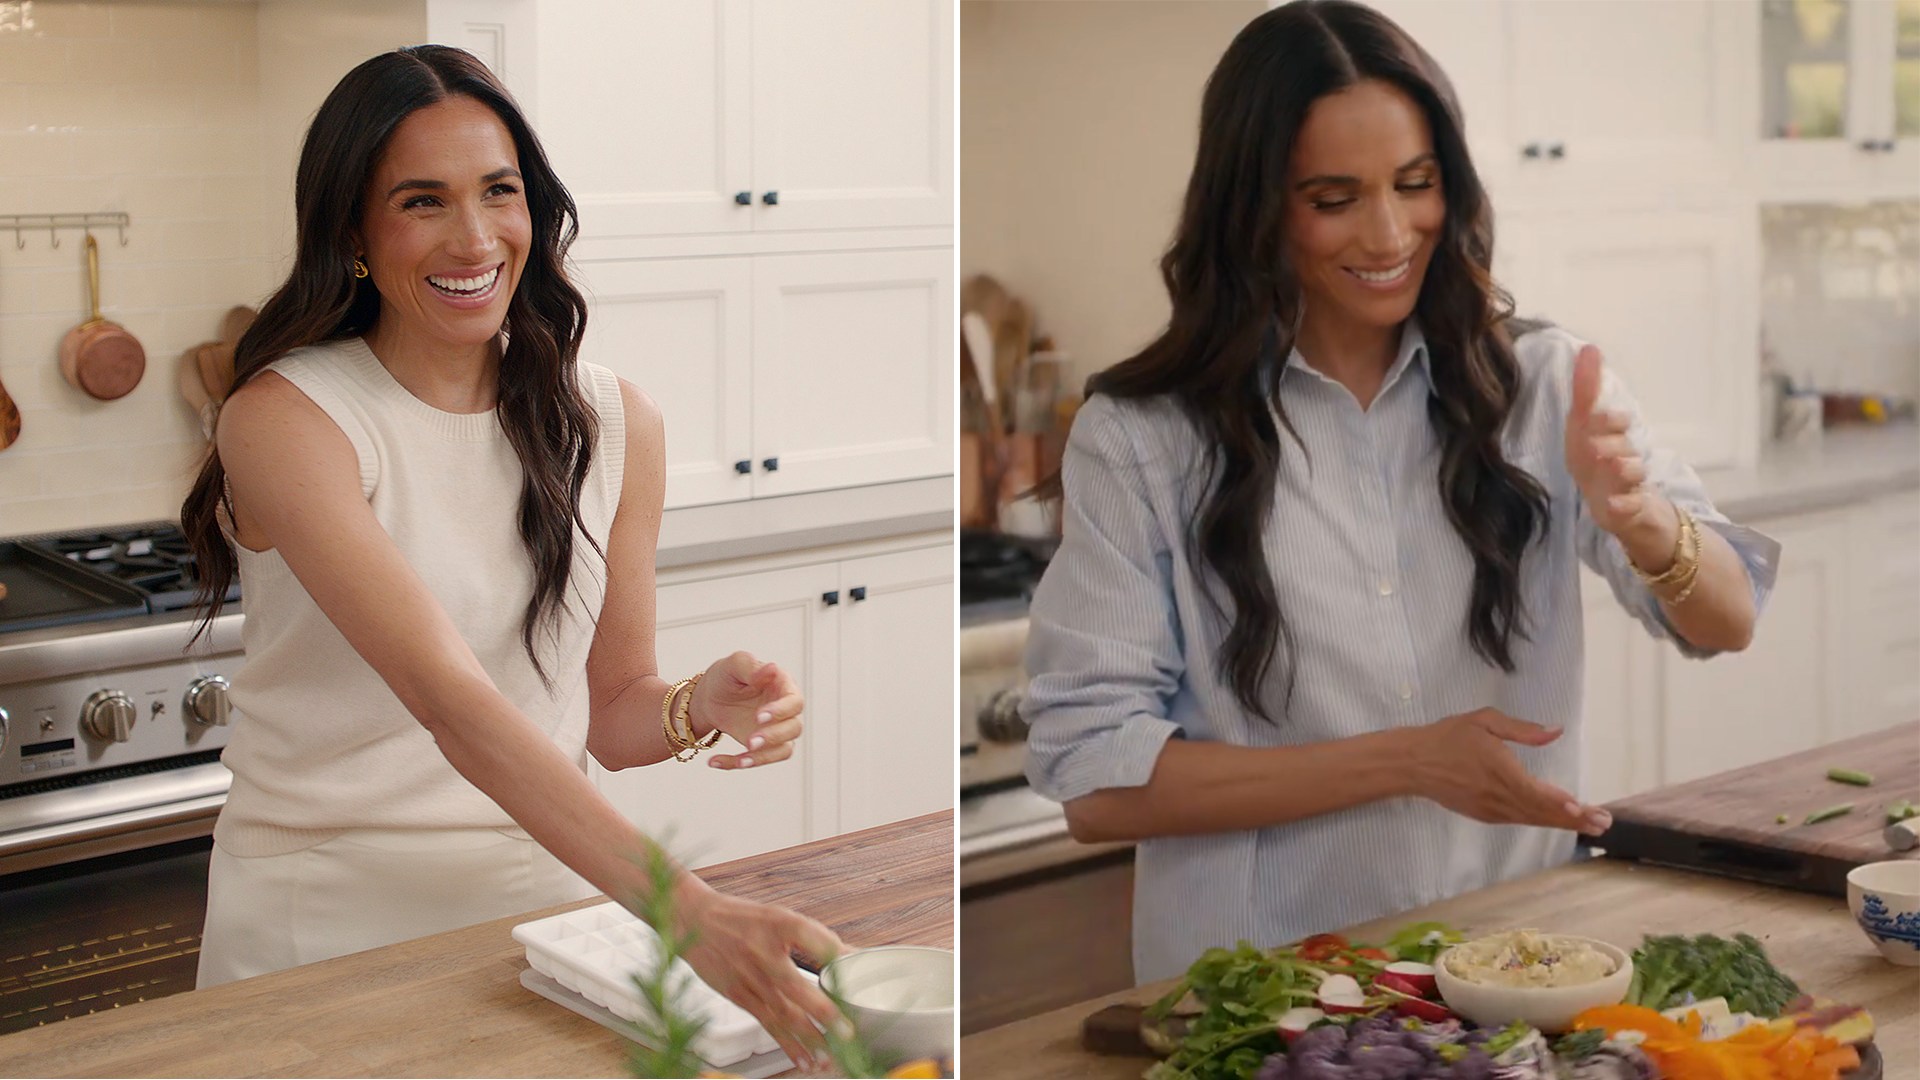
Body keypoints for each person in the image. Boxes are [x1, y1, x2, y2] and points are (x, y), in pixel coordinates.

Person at [1020, 0, 1780, 983]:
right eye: (1334, 198)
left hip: (1519, 971)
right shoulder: (1145, 437)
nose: (1390, 233)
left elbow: (1726, 619)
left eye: (1415, 185)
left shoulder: (1544, 384)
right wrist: (1409, 761)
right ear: (1253, 207)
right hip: (1262, 996)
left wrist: (1641, 523)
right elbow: (1096, 785)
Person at [180, 45, 840, 1067]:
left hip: (548, 925)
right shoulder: (288, 421)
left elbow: (609, 716)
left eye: (501, 192)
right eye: (422, 202)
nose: (476, 236)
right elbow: (454, 708)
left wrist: (697, 705)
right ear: (353, 231)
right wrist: (692, 912)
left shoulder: (614, 420)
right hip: (321, 926)